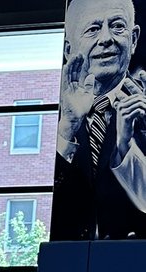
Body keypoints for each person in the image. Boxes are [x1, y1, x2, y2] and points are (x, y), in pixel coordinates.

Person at [52, 0, 146, 241]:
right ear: (68, 50)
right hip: (67, 263)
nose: (106, 39)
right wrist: (67, 129)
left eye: (116, 26)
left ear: (134, 39)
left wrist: (125, 148)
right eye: (93, 29)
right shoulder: (55, 117)